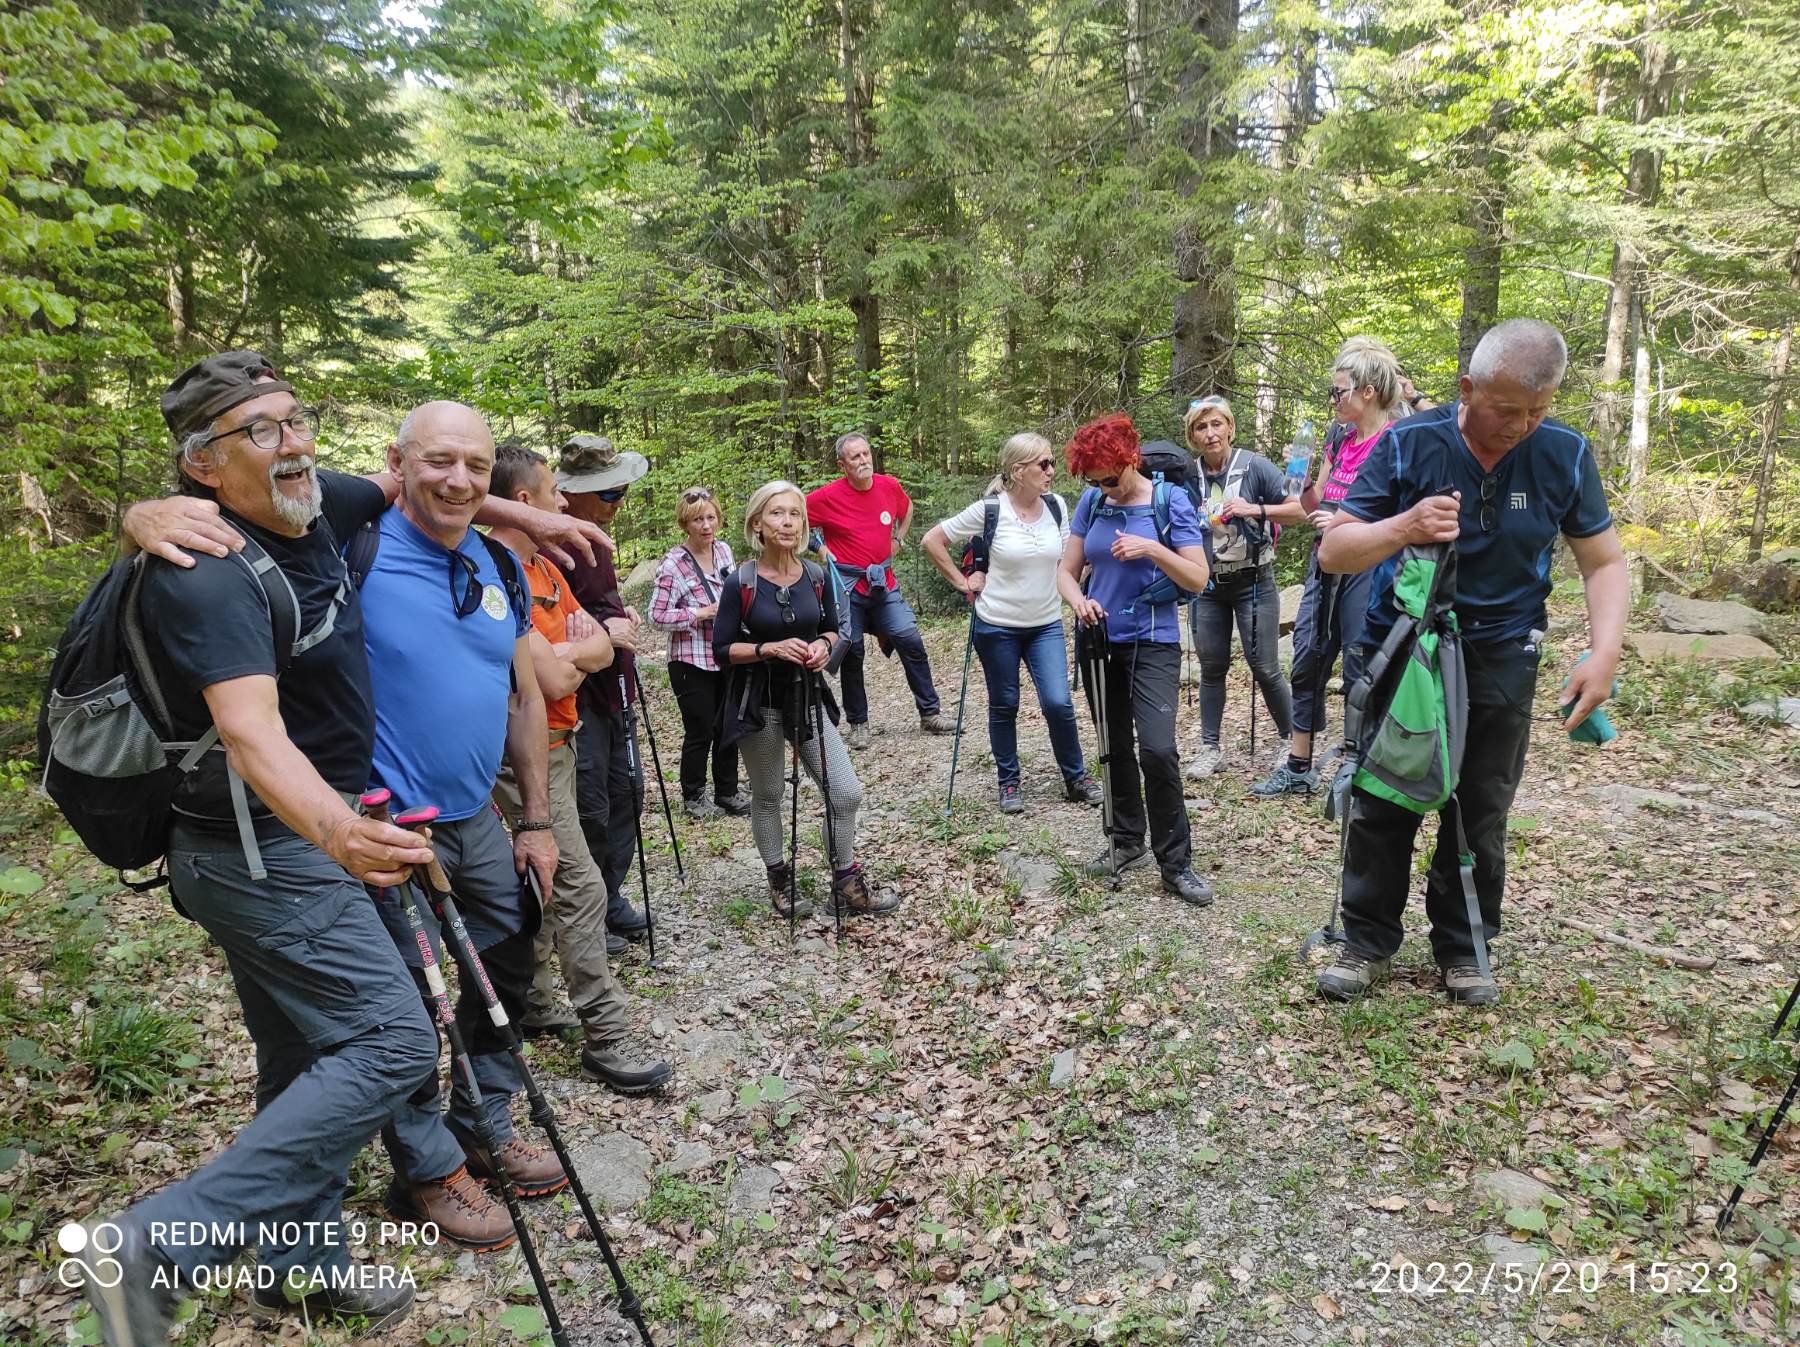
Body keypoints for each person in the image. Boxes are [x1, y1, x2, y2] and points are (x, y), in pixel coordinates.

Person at [80, 351, 441, 1343]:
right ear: (202, 466)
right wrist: (341, 833)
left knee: (302, 1056)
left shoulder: (308, 498)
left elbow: (403, 485)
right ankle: (153, 1249)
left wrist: (543, 522)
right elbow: (250, 734)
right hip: (267, 852)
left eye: (297, 419)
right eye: (262, 430)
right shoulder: (204, 574)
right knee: (393, 1039)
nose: (294, 445)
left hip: (254, 849)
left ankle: (297, 1270)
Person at [1314, 319, 1626, 1006]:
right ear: (1467, 388)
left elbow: (1603, 562)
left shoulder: (1565, 454)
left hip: (1504, 653)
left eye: (1537, 410)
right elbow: (1334, 551)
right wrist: (1405, 526)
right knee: (1385, 793)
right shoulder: (1409, 443)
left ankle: (1464, 945)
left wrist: (1604, 651)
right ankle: (1364, 940)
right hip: (1405, 646)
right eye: (1507, 408)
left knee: (1481, 805)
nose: (1522, 425)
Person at [485, 443, 675, 1092]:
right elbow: (558, 671)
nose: (563, 501)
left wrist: (583, 648)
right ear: (524, 502)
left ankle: (537, 1001)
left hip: (561, 740)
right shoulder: (494, 572)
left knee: (544, 879)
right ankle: (606, 1034)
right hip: (521, 755)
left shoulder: (545, 566)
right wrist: (586, 648)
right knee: (582, 885)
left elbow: (595, 644)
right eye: (552, 492)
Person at [713, 481, 898, 917]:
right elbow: (722, 649)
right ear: (757, 524)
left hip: (808, 697)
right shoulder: (741, 581)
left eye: (795, 514)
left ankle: (845, 884)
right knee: (769, 794)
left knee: (846, 792)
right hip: (758, 703)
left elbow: (835, 629)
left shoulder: (815, 576)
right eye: (777, 513)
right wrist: (769, 649)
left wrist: (822, 647)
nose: (788, 523)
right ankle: (780, 880)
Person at [1057, 414, 1215, 906]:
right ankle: (1127, 840)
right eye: (1093, 481)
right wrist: (1078, 601)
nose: (1103, 487)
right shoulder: (1092, 503)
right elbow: (1066, 571)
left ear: (1130, 460)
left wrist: (1152, 548)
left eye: (1109, 478)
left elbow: (1198, 577)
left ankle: (1176, 863)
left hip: (1154, 641)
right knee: (1114, 746)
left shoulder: (1170, 501)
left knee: (1158, 749)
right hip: (1100, 638)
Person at [1254, 337, 1416, 797]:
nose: (1332, 400)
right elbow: (1315, 504)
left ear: (1368, 391)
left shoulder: (1397, 440)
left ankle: (1356, 764)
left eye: (1338, 391)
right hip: (1325, 561)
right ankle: (1298, 765)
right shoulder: (1339, 437)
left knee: (1360, 661)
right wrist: (1304, 485)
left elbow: (1402, 513)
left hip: (1370, 567)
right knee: (1308, 654)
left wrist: (1347, 523)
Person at [920, 432, 1102, 813]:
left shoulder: (1056, 506)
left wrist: (1085, 578)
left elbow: (1067, 561)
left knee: (1058, 702)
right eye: (1043, 464)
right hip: (996, 624)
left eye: (1051, 463)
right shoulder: (990, 509)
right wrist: (963, 582)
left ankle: (1076, 778)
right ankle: (1008, 782)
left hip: (1045, 623)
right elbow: (932, 541)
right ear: (1018, 471)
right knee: (1005, 704)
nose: (1051, 471)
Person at [555, 435, 653, 949]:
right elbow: (551, 624)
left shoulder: (596, 539)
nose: (619, 501)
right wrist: (603, 630)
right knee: (589, 804)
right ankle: (586, 912)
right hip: (579, 698)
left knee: (628, 792)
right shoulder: (552, 546)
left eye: (621, 491)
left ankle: (610, 896)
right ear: (572, 494)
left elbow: (597, 605)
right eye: (610, 493)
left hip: (617, 689)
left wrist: (620, 615)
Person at [1178, 396, 1302, 780]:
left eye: (1217, 424)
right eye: (1201, 427)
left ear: (1230, 427)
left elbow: (1298, 510)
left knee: (1264, 665)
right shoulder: (1187, 475)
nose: (1210, 433)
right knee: (1212, 666)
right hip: (1207, 583)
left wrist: (1254, 509)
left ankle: (1292, 743)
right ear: (1193, 436)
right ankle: (1209, 748)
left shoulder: (1255, 466)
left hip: (1254, 580)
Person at [806, 432, 952, 747]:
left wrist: (898, 539)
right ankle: (858, 723)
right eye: (855, 457)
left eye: (866, 454)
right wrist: (818, 547)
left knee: (909, 637)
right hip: (846, 586)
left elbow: (907, 508)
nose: (863, 460)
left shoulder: (888, 486)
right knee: (852, 650)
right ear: (842, 464)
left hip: (883, 583)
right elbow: (796, 519)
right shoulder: (826, 497)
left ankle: (930, 713)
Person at [650, 486, 751, 819]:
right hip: (690, 660)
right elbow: (656, 616)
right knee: (701, 729)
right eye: (697, 520)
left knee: (727, 726)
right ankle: (693, 795)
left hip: (724, 653)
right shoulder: (673, 565)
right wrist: (700, 613)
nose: (706, 526)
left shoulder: (723, 551)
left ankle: (727, 792)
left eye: (710, 518)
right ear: (685, 524)